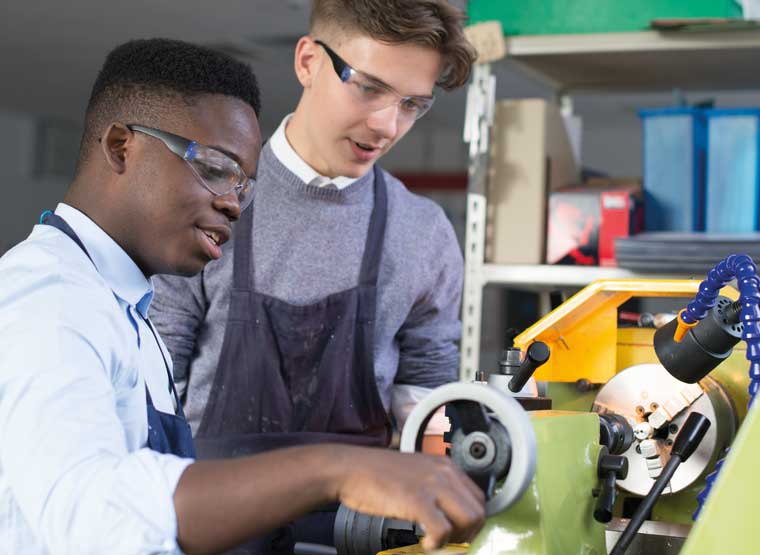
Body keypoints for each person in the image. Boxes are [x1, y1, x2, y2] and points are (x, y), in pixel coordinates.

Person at [0, 38, 485, 555]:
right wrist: (334, 468)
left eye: (244, 185)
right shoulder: (52, 300)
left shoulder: (124, 307)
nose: (233, 204)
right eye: (214, 169)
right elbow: (84, 513)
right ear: (122, 146)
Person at [152, 0, 476, 460]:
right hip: (211, 513)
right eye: (368, 88)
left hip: (357, 523)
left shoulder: (423, 231)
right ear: (308, 61)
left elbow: (425, 389)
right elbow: (155, 378)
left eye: (411, 104)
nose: (387, 124)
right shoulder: (208, 199)